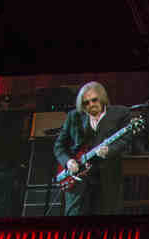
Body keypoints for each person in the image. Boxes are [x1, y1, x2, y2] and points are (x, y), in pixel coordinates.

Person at [53, 82, 135, 216]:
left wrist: (109, 150)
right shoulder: (74, 116)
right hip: (77, 180)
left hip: (107, 178)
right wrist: (68, 162)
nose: (91, 104)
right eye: (86, 103)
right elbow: (59, 146)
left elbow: (126, 140)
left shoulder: (120, 113)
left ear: (102, 98)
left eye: (94, 100)